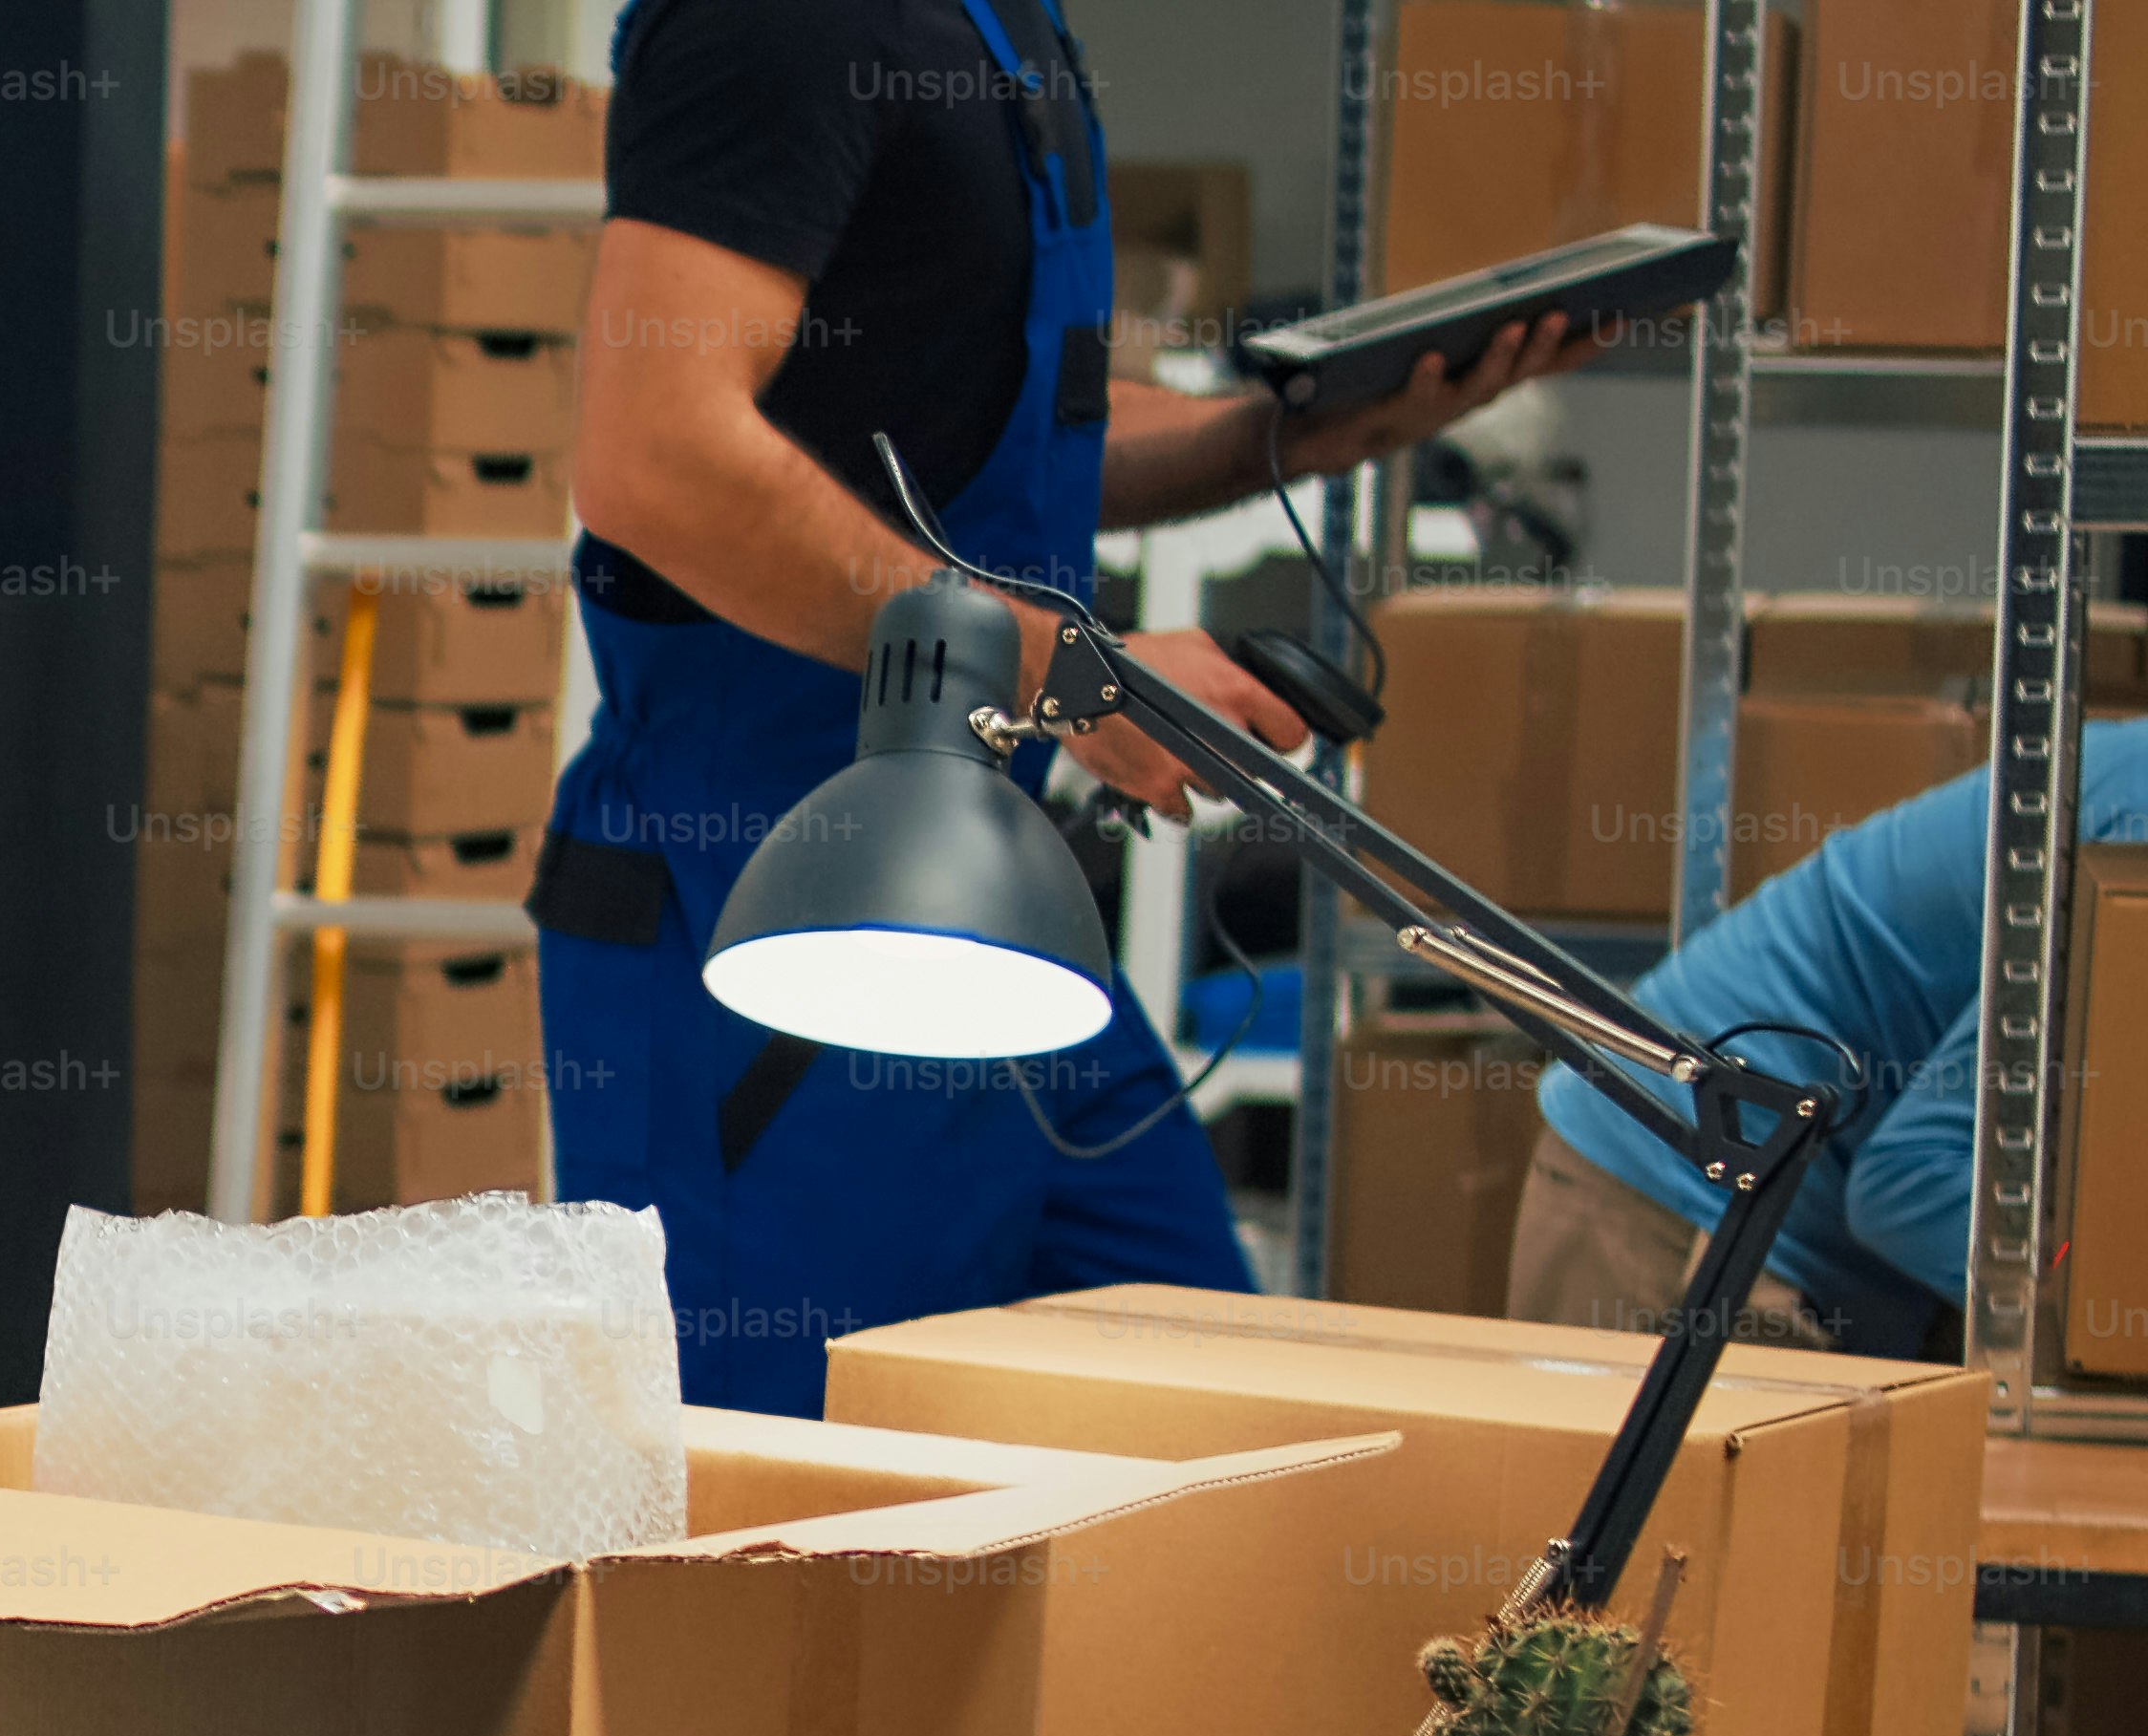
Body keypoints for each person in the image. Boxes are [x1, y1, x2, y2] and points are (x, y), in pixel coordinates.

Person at [544, 0, 1592, 1411]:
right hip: (766, 934)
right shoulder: (779, 17)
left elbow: (985, 426)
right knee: (794, 1545)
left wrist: (1281, 434)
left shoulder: (1000, 23)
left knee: (1209, 1447)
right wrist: (1062, 671)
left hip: (992, 917)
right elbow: (655, 454)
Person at [1509, 721, 2148, 1360]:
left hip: (1811, 1231)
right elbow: (1907, 1183)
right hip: (1682, 1192)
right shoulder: (2135, 844)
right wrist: (2097, 1295)